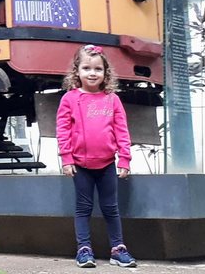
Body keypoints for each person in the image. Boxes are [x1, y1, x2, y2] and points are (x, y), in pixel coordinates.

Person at [56, 44, 136, 268]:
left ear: (105, 73)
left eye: (98, 69)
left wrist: (125, 159)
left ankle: (118, 249)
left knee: (111, 208)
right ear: (77, 71)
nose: (92, 73)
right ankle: (84, 249)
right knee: (83, 208)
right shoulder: (69, 99)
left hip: (107, 164)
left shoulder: (112, 100)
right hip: (80, 166)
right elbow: (62, 131)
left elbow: (122, 130)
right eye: (86, 68)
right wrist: (66, 158)